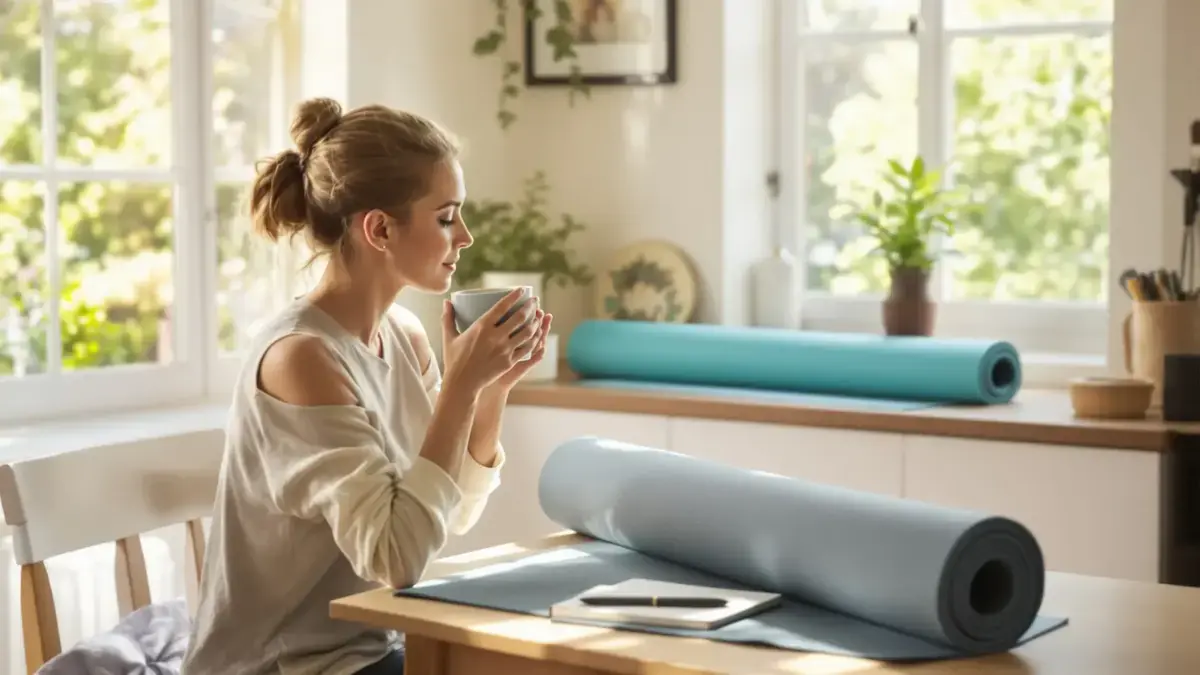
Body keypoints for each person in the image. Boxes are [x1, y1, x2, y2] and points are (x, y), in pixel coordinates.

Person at [182, 97, 552, 675]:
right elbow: (396, 558)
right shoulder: (300, 359)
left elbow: (446, 516)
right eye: (447, 216)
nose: (467, 237)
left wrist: (490, 390)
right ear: (379, 228)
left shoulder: (403, 336)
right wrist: (457, 390)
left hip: (365, 654)